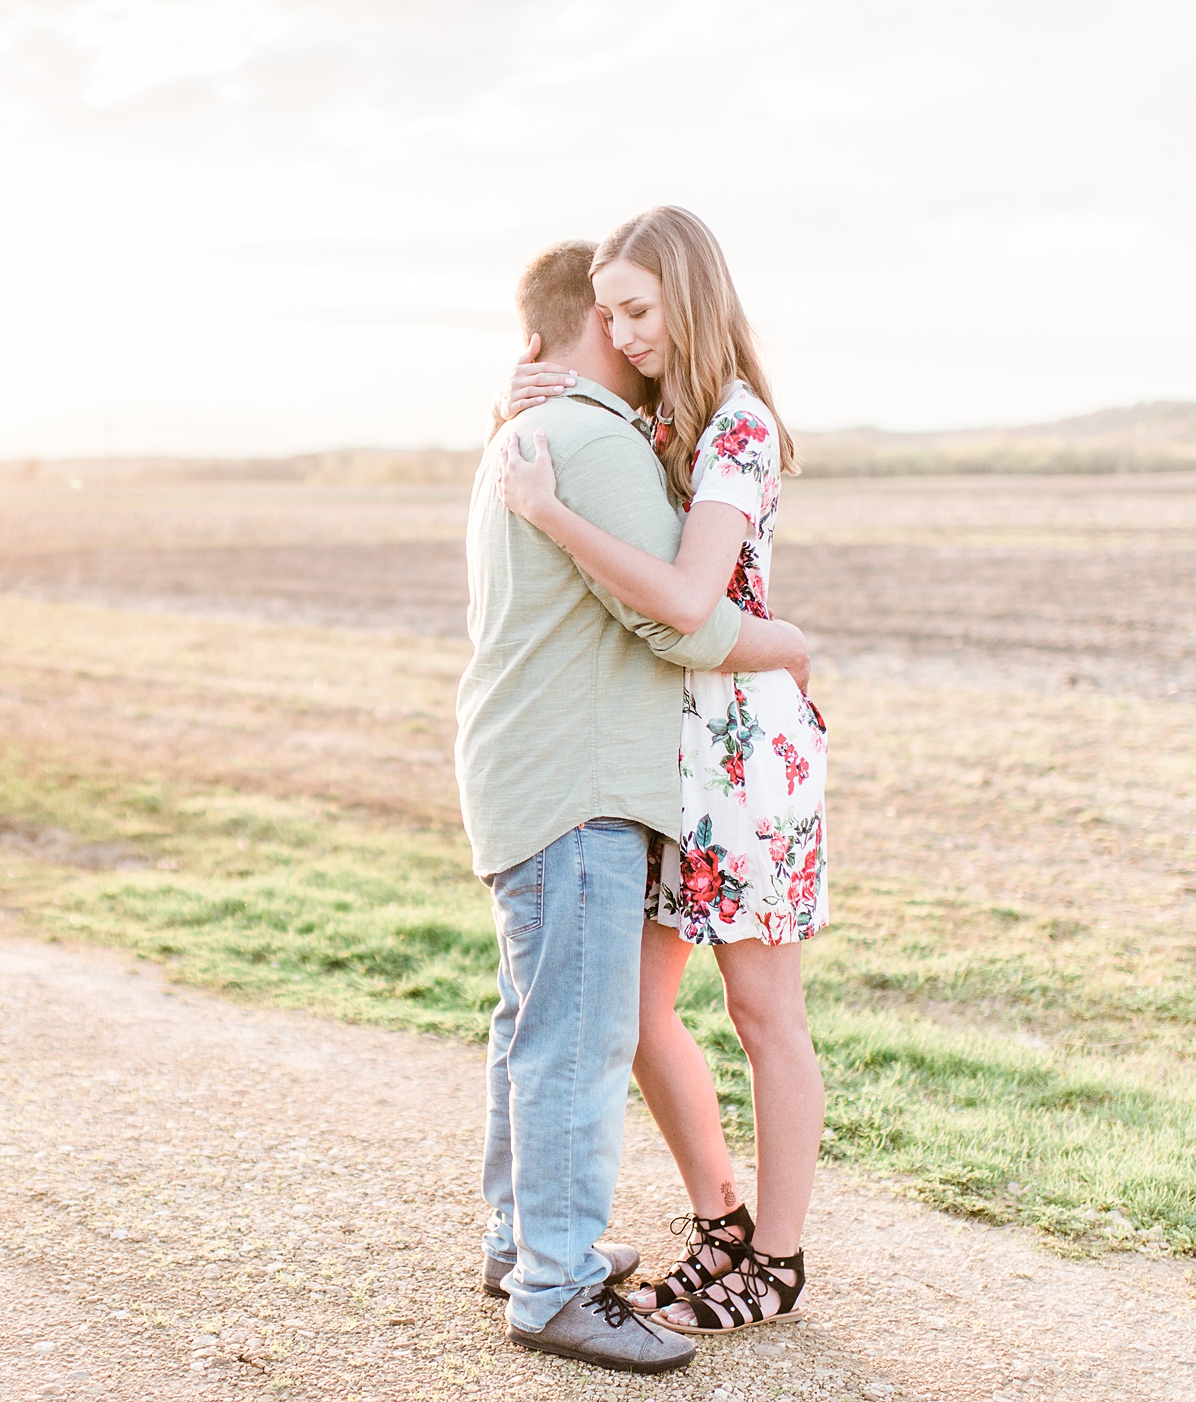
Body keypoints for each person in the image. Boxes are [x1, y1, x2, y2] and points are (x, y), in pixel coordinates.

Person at [459, 238, 811, 1373]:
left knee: (545, 1019)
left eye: (642, 306)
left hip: (611, 769)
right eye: (614, 311)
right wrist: (792, 643)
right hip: (590, 776)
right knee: (578, 1032)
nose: (632, 332)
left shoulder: (542, 434)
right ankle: (554, 1278)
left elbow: (680, 597)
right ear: (591, 325)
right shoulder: (590, 440)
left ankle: (534, 1246)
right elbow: (684, 622)